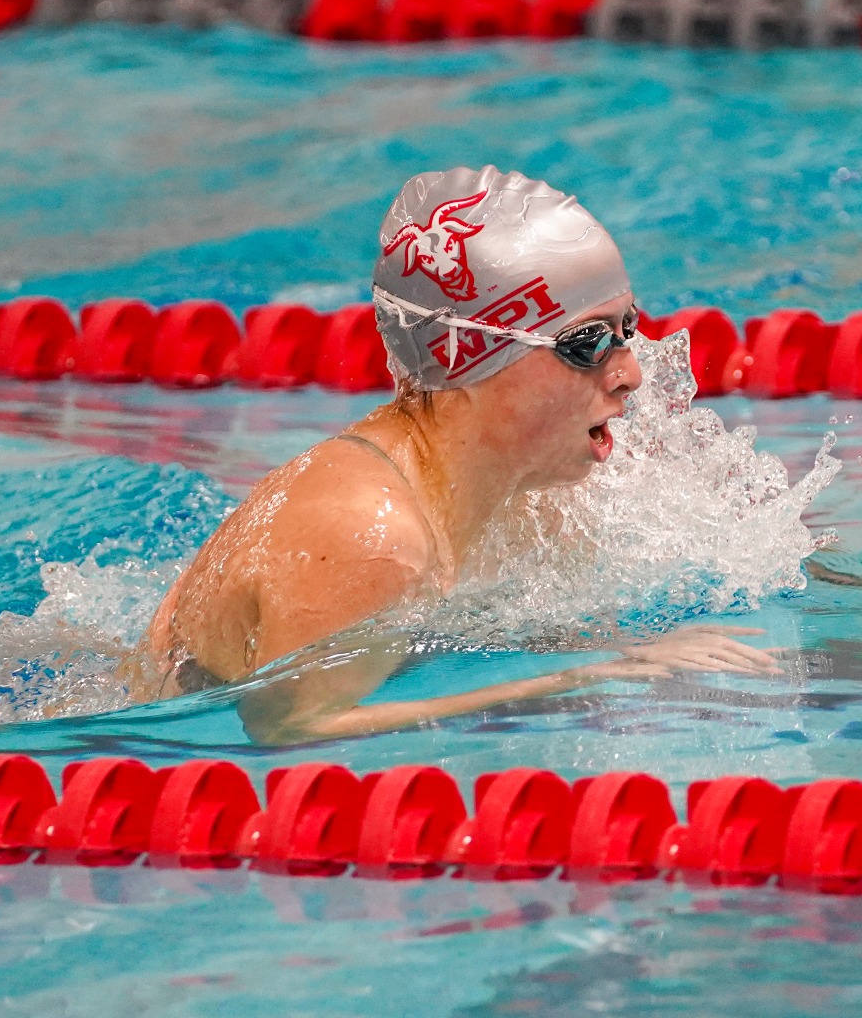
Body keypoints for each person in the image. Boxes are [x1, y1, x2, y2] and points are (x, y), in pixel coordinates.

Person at [122, 166, 777, 744]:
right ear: (465, 359)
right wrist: (592, 676)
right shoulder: (371, 539)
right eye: (587, 343)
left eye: (627, 329)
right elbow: (288, 726)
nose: (630, 372)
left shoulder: (516, 492)